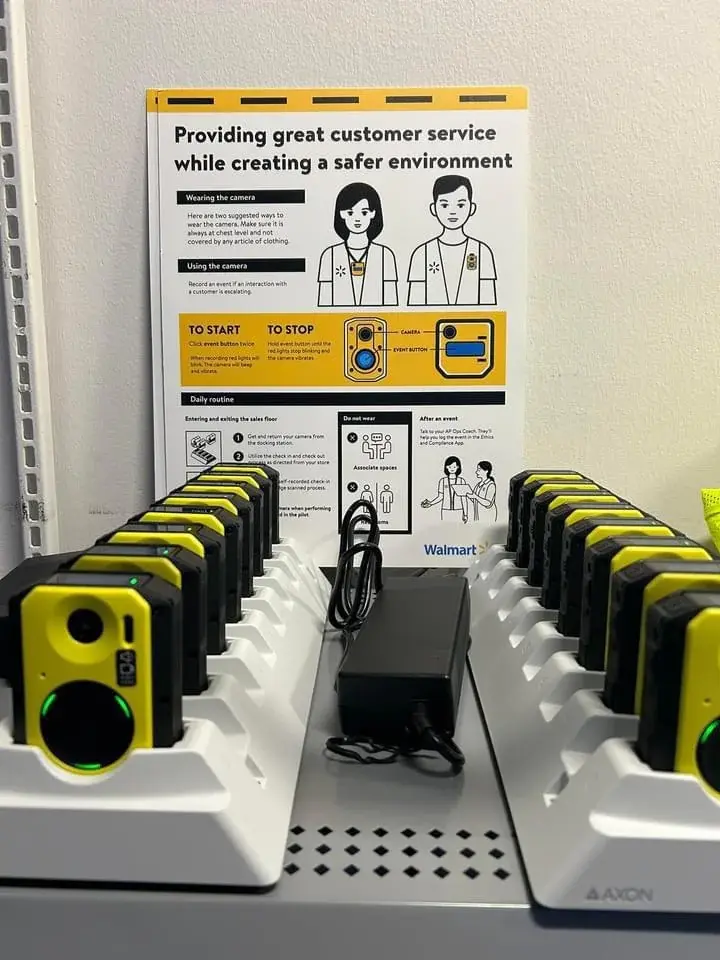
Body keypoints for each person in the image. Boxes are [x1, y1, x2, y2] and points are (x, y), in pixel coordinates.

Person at [407, 175, 496, 306]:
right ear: (434, 208)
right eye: (444, 205)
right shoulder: (422, 253)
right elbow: (414, 305)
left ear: (472, 208)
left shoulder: (482, 252)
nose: (452, 212)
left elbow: (490, 304)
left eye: (460, 205)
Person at [318, 183, 398, 307]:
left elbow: (391, 302)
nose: (357, 219)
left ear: (373, 213)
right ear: (341, 214)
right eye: (350, 213)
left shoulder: (385, 255)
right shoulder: (330, 255)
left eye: (364, 213)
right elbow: (324, 302)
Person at [420, 455, 472, 523]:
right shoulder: (443, 481)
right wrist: (430, 503)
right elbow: (440, 497)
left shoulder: (461, 481)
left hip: (459, 510)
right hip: (445, 510)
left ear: (458, 467)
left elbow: (464, 499)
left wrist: (465, 514)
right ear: (446, 467)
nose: (452, 468)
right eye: (450, 466)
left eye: (454, 467)